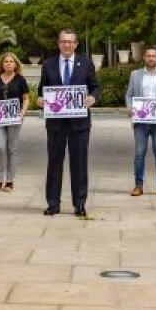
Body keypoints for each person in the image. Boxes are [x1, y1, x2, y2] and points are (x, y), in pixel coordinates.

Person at [39, 29, 101, 218]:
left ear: (76, 44)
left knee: (79, 164)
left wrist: (92, 98)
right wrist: (40, 99)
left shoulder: (86, 63)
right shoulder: (48, 64)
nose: (67, 45)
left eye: (70, 42)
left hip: (80, 123)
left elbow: (95, 86)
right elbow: (42, 89)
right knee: (54, 164)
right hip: (56, 123)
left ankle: (80, 204)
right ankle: (53, 204)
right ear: (58, 43)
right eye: (63, 41)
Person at [124, 47, 156, 197]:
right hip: (140, 121)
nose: (151, 58)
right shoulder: (135, 75)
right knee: (139, 153)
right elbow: (129, 95)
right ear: (144, 58)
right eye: (148, 56)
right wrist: (129, 106)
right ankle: (138, 186)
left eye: (153, 56)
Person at [0, 51, 30, 192]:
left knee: (11, 148)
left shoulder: (20, 80)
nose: (8, 64)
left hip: (14, 118)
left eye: (11, 61)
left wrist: (22, 113)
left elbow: (26, 99)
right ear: (2, 64)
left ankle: (10, 180)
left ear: (15, 64)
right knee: (0, 147)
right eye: (6, 61)